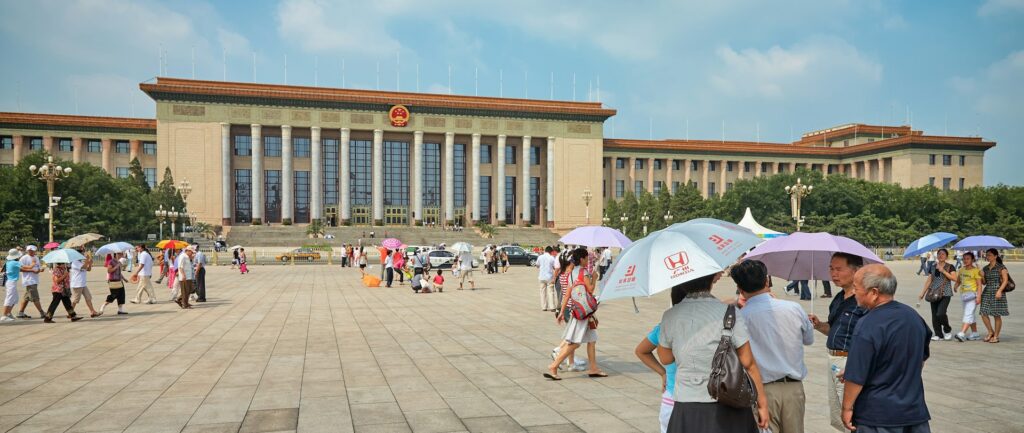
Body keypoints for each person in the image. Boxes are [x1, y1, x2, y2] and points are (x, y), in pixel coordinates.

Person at [654, 272, 770, 432]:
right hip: (728, 400)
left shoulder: (669, 316)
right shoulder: (730, 312)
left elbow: (665, 358)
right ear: (712, 281)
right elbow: (748, 363)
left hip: (687, 402)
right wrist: (762, 405)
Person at [841, 264, 932, 433]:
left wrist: (847, 408)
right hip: (913, 410)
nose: (854, 293)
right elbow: (919, 359)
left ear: (874, 293)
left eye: (856, 288)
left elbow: (856, 376)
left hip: (878, 415)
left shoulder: (868, 324)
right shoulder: (912, 316)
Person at [732, 260, 814, 433]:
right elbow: (808, 339)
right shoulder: (794, 308)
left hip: (762, 390)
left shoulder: (741, 317)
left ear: (739, 287)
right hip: (794, 389)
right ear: (767, 281)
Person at [808, 252, 865, 432]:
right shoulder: (839, 297)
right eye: (831, 269)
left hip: (849, 362)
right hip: (833, 359)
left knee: (851, 414)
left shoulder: (862, 301)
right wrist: (818, 325)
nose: (833, 274)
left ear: (856, 271)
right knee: (837, 414)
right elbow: (833, 329)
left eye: (839, 269)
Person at [547, 248, 607, 380]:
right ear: (582, 259)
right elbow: (590, 290)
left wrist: (562, 311)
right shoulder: (583, 272)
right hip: (583, 313)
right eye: (586, 258)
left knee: (592, 340)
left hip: (578, 310)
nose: (588, 260)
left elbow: (567, 293)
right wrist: (595, 278)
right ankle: (554, 365)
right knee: (574, 343)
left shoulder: (571, 273)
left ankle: (593, 368)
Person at [635, 284, 685, 433]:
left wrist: (663, 372)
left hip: (670, 397)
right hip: (694, 398)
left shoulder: (663, 326)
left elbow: (641, 351)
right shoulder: (704, 326)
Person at [918, 248, 957, 341]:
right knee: (934, 314)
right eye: (939, 254)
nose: (941, 255)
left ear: (946, 256)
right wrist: (923, 292)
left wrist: (943, 271)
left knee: (941, 313)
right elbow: (929, 280)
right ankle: (938, 334)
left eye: (943, 254)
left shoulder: (950, 266)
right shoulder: (933, 266)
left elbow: (954, 278)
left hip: (945, 293)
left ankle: (947, 330)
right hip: (933, 292)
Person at [979, 248, 1010, 343]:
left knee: (996, 315)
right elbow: (984, 283)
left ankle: (996, 336)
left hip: (998, 292)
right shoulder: (985, 268)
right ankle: (990, 332)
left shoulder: (1001, 267)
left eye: (989, 255)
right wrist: (982, 275)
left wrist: (1000, 291)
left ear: (995, 256)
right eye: (986, 255)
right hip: (987, 291)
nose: (987, 257)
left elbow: (1005, 280)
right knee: (983, 312)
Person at [953, 252, 983, 341]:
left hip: (973, 295)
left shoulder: (976, 271)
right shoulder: (961, 270)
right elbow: (959, 280)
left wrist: (979, 296)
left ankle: (962, 333)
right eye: (964, 259)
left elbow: (979, 285)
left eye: (968, 259)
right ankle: (975, 333)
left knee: (968, 313)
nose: (965, 260)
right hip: (964, 295)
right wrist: (955, 286)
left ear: (972, 260)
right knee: (971, 314)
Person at [17, 245, 45, 319]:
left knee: (26, 297)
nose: (30, 251)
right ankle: (42, 312)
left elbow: (38, 267)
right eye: (29, 250)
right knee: (35, 297)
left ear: (35, 250)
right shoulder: (23, 258)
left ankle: (21, 312)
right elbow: (20, 269)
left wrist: (40, 270)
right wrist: (31, 270)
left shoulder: (36, 258)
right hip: (29, 280)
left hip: (34, 279)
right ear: (27, 250)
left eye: (32, 250)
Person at [70, 249, 101, 318]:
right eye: (81, 254)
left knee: (88, 297)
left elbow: (88, 269)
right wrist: (87, 260)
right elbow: (83, 267)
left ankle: (92, 311)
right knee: (75, 300)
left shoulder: (81, 262)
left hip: (82, 283)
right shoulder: (75, 262)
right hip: (77, 284)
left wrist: (90, 263)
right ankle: (70, 312)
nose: (82, 255)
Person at [536, 246, 559, 312]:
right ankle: (552, 307)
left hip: (541, 277)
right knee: (551, 292)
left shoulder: (540, 257)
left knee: (542, 292)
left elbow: (537, 265)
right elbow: (555, 267)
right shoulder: (551, 258)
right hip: (549, 277)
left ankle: (544, 307)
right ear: (551, 252)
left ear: (545, 251)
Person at [2, 249, 22, 322]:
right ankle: (4, 315)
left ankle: (8, 313)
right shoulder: (14, 262)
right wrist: (33, 264)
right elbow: (26, 267)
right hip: (11, 282)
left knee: (15, 298)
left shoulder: (9, 262)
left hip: (10, 282)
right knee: (9, 298)